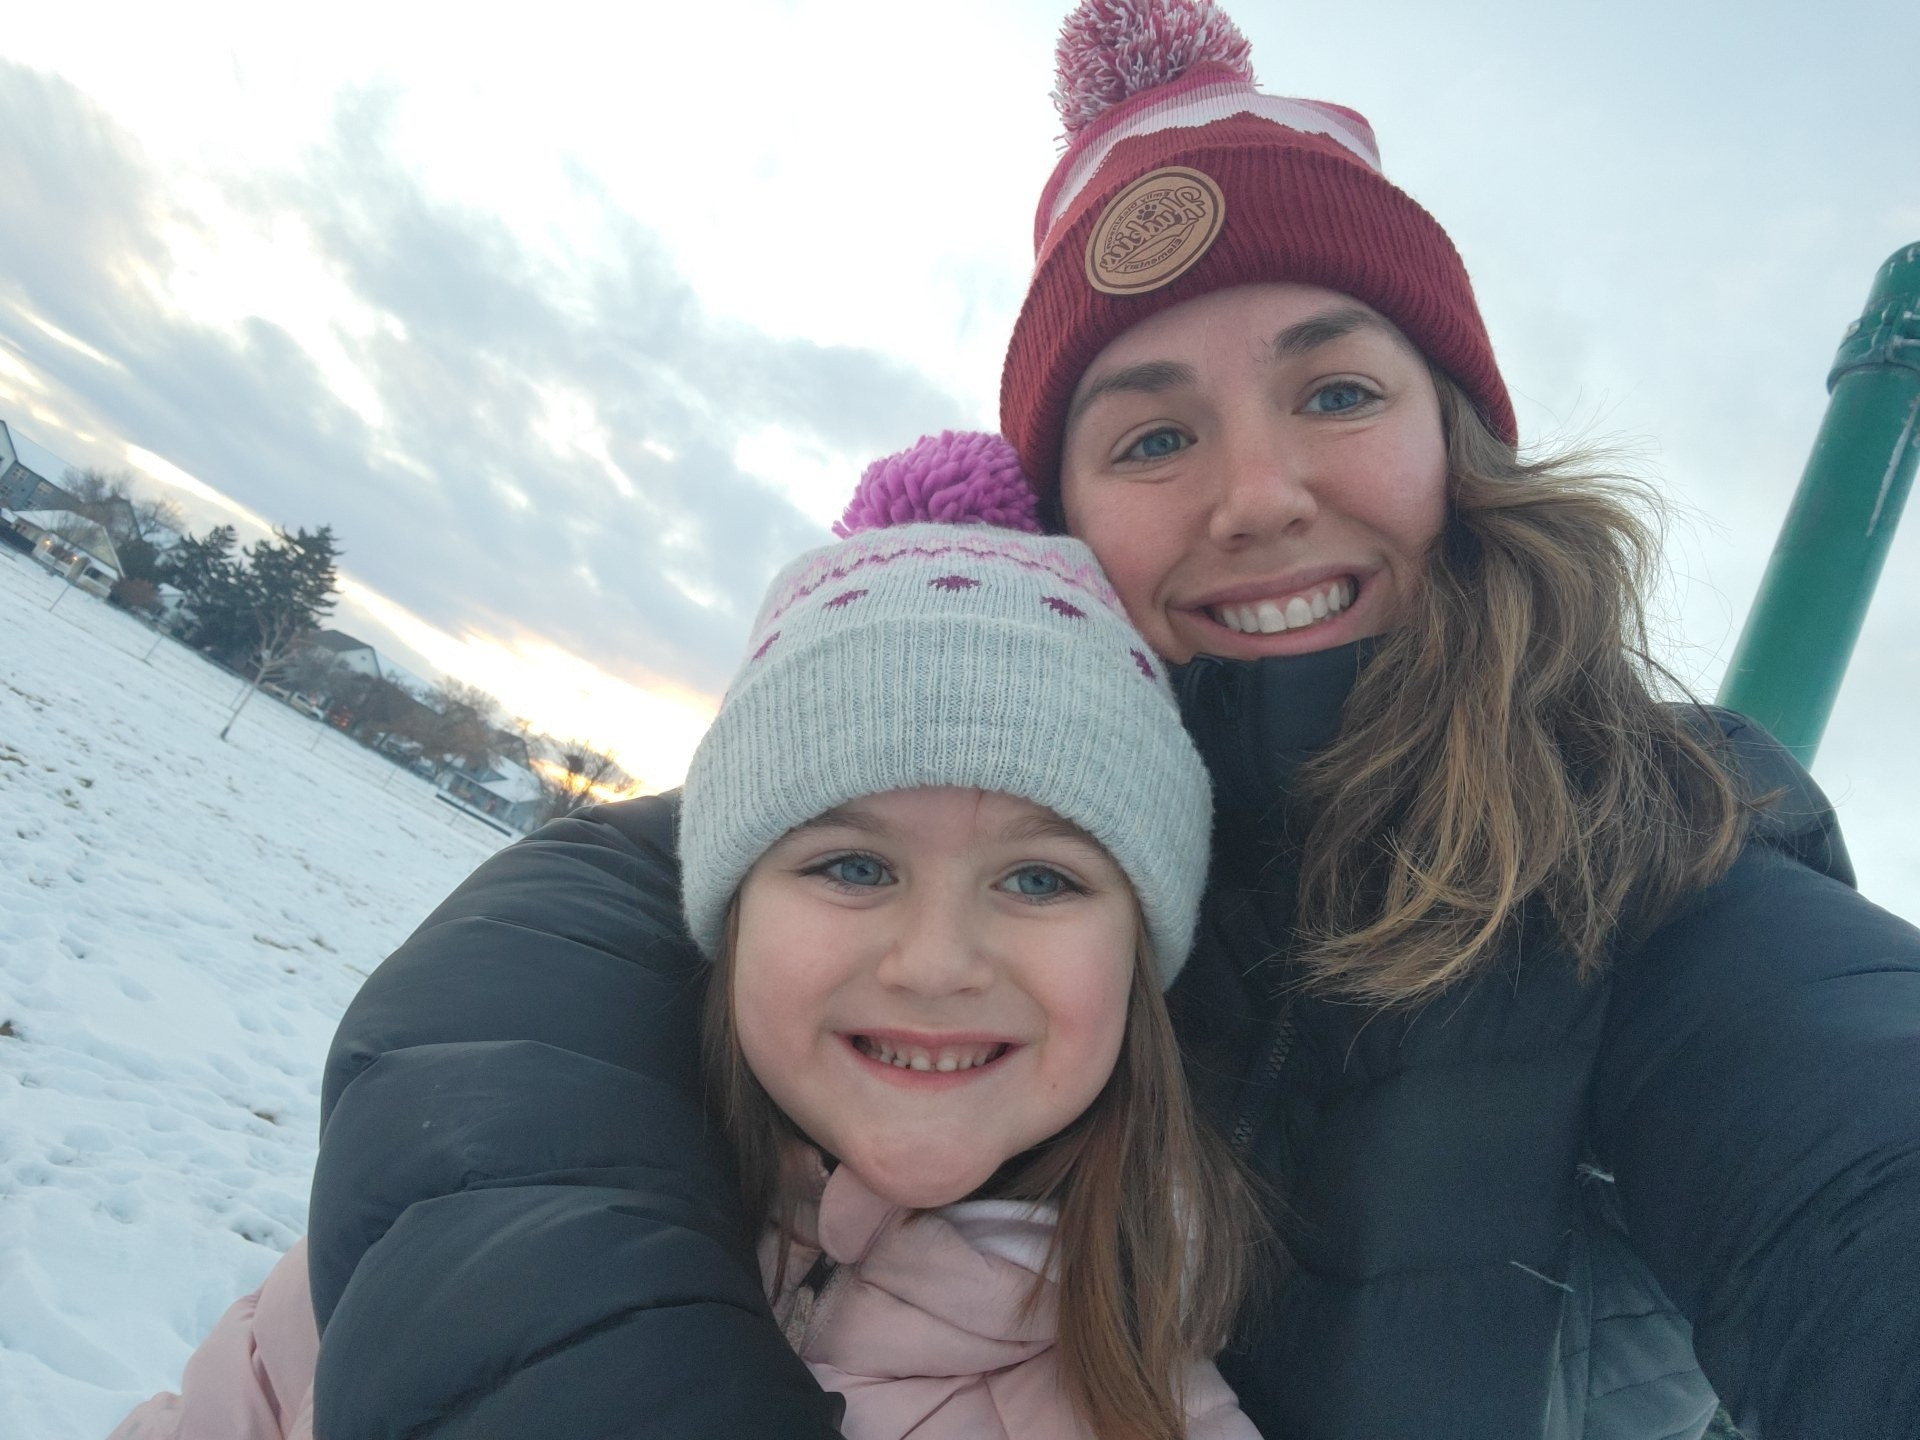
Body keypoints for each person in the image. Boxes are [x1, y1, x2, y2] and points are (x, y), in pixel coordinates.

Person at [303, 3, 1920, 1438]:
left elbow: (1854, 1141)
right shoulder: (953, 802)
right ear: (1056, 519)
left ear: (1457, 441)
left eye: (1337, 392)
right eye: (1153, 437)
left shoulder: (1662, 860)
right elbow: (527, 1013)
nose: (1258, 495)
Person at [109, 474, 1269, 1440]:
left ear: (1140, 953)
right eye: (853, 866)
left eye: (1041, 880)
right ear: (731, 911)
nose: (934, 963)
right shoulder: (464, 1222)